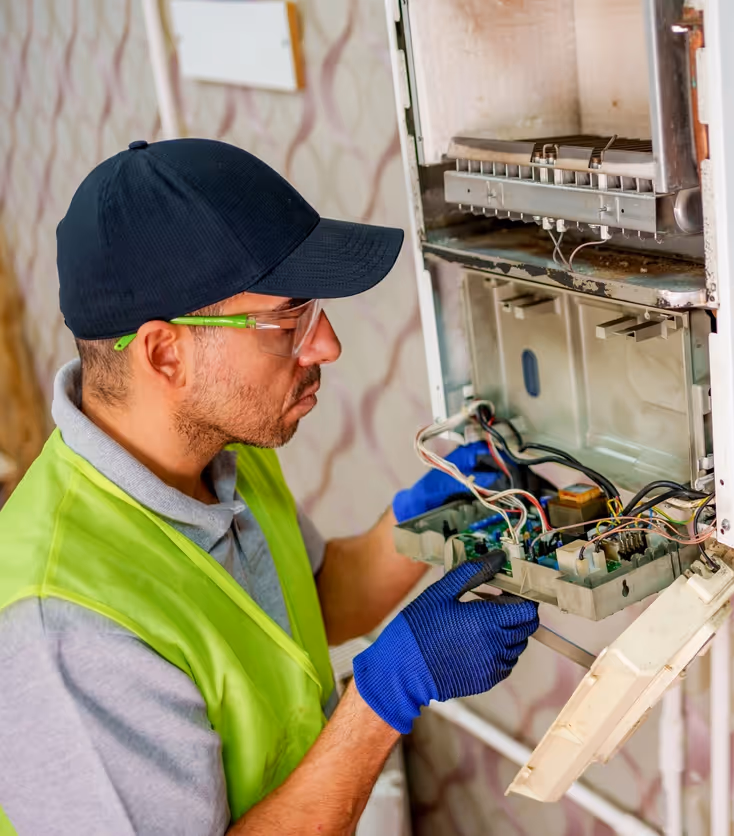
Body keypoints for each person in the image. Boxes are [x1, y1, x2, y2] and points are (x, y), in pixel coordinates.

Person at [0, 138, 539, 834]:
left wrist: (424, 526)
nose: (327, 346)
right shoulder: (62, 629)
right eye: (289, 320)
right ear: (167, 353)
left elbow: (303, 604)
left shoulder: (219, 446)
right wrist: (381, 702)